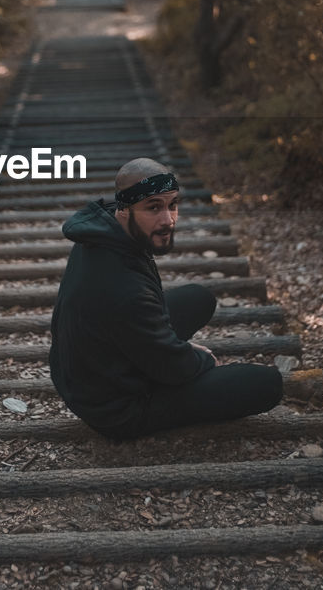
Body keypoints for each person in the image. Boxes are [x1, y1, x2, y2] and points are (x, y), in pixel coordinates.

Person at [49, 157, 284, 440]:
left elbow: (135, 321)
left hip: (88, 370)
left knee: (199, 298)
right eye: (153, 208)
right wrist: (199, 359)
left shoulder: (102, 232)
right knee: (267, 384)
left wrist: (167, 344)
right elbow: (175, 368)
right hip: (116, 408)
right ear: (125, 209)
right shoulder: (124, 290)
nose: (167, 220)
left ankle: (156, 353)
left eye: (172, 205)